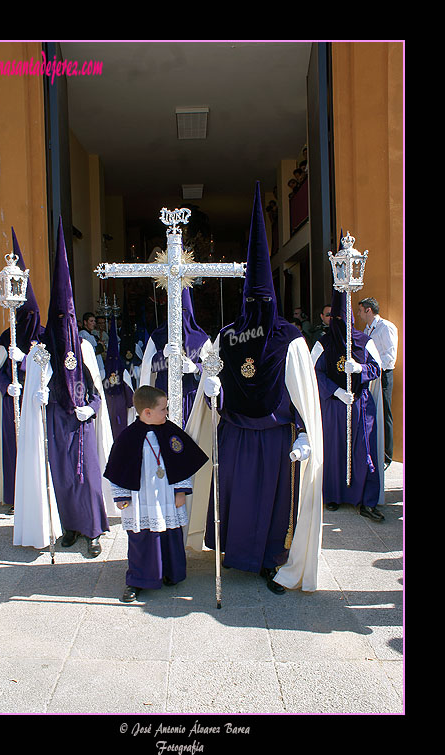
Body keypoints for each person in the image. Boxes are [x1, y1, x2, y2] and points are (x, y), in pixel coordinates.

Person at [186, 181, 324, 595]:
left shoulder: (290, 339)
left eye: (263, 302)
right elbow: (212, 390)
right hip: (235, 435)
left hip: (274, 436)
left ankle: (269, 559)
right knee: (237, 500)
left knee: (271, 502)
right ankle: (236, 554)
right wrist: (209, 385)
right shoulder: (227, 336)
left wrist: (304, 434)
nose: (257, 310)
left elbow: (301, 392)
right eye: (252, 301)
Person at [13, 218, 114, 555]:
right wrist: (37, 396)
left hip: (81, 419)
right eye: (58, 319)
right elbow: (32, 383)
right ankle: (70, 526)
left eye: (67, 318)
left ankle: (94, 530)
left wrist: (92, 407)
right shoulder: (44, 349)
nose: (63, 324)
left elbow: (96, 391)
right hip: (55, 418)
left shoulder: (84, 346)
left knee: (87, 479)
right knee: (63, 477)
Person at [104, 385, 208, 603]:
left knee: (170, 535)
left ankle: (171, 573)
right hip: (140, 499)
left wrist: (181, 490)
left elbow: (180, 461)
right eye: (163, 409)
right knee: (142, 538)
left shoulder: (171, 431)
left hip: (167, 497)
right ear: (147, 412)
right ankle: (138, 579)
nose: (167, 413)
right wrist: (122, 496)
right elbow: (118, 468)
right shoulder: (128, 437)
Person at [312, 286, 385, 521]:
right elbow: (315, 372)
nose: (341, 321)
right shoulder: (323, 343)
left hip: (360, 404)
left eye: (344, 317)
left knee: (363, 451)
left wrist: (361, 369)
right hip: (334, 405)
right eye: (336, 318)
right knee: (333, 450)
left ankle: (366, 499)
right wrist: (335, 391)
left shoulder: (364, 341)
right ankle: (332, 495)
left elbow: (377, 368)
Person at [0, 228, 44, 514]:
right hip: (15, 398)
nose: (32, 321)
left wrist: (25, 359)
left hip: (35, 398)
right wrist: (5, 385)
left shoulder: (46, 335)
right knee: (14, 449)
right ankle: (15, 498)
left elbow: (51, 365)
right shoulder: (6, 337)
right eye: (28, 316)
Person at [139, 287, 213, 427]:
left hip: (189, 395)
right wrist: (163, 355)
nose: (179, 317)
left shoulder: (200, 337)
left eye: (183, 311)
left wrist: (196, 368)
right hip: (162, 395)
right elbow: (148, 367)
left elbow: (212, 367)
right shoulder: (158, 335)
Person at [357, 296, 398, 469]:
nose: (358, 314)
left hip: (383, 374)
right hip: (371, 375)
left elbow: (390, 356)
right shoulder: (367, 329)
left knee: (385, 412)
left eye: (360, 310)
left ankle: (387, 456)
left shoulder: (386, 327)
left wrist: (374, 368)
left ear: (368, 310)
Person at [103, 315, 136, 439]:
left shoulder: (123, 372)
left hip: (119, 405)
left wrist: (129, 404)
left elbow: (129, 393)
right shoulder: (102, 372)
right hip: (108, 406)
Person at [79, 312, 105, 379]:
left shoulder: (92, 335)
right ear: (85, 322)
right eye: (91, 321)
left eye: (94, 321)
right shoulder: (83, 334)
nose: (94, 323)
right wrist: (99, 345)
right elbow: (88, 352)